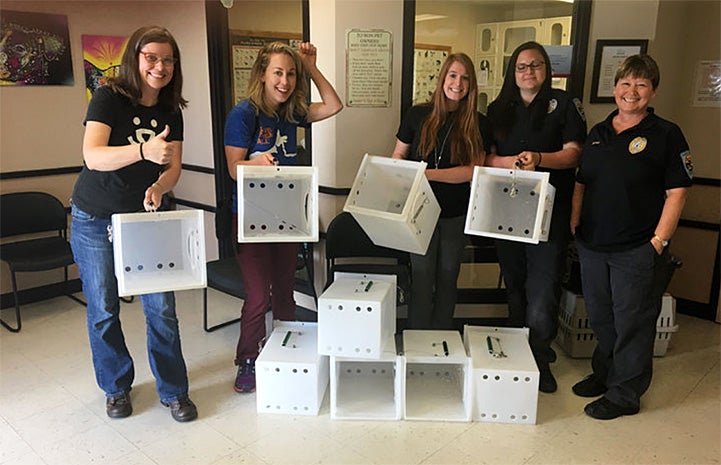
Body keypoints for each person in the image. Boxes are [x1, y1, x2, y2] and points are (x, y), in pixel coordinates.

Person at [70, 26, 197, 422]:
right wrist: (143, 149)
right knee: (104, 310)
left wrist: (160, 185)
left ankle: (174, 391)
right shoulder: (110, 97)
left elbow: (173, 168)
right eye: (152, 58)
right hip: (94, 218)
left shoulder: (171, 110)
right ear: (136, 59)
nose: (160, 67)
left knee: (161, 309)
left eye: (168, 60)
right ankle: (116, 388)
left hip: (146, 221)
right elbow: (93, 156)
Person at [570, 54, 692, 420]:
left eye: (641, 84)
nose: (631, 91)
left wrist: (659, 240)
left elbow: (678, 192)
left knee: (633, 322)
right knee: (602, 317)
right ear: (614, 88)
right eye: (625, 83)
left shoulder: (666, 135)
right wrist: (574, 225)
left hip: (636, 247)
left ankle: (625, 395)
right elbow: (581, 183)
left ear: (653, 91)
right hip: (592, 244)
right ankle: (605, 373)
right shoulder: (598, 133)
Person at [224, 42, 342, 393]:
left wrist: (311, 67)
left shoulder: (293, 113)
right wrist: (255, 162)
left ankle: (288, 354)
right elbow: (233, 169)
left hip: (287, 214)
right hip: (251, 216)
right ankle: (248, 359)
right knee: (259, 295)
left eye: (291, 74)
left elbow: (335, 105)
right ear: (262, 74)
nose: (285, 81)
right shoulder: (243, 114)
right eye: (278, 72)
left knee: (285, 293)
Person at [485, 41, 587, 393]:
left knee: (542, 291)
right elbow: (487, 158)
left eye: (537, 65)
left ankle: (540, 359)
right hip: (508, 211)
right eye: (522, 66)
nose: (529, 72)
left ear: (548, 70)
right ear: (512, 72)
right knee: (515, 285)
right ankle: (517, 353)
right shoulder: (498, 109)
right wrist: (514, 161)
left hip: (550, 215)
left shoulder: (565, 104)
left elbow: (574, 154)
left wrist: (539, 158)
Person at [392, 53, 491, 330]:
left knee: (448, 276)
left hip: (455, 213)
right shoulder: (417, 114)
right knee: (421, 276)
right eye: (453, 75)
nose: (458, 83)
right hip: (418, 211)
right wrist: (403, 171)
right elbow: (398, 154)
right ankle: (418, 338)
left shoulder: (478, 122)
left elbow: (473, 169)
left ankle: (441, 338)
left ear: (471, 84)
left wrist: (426, 174)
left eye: (465, 78)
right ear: (442, 78)